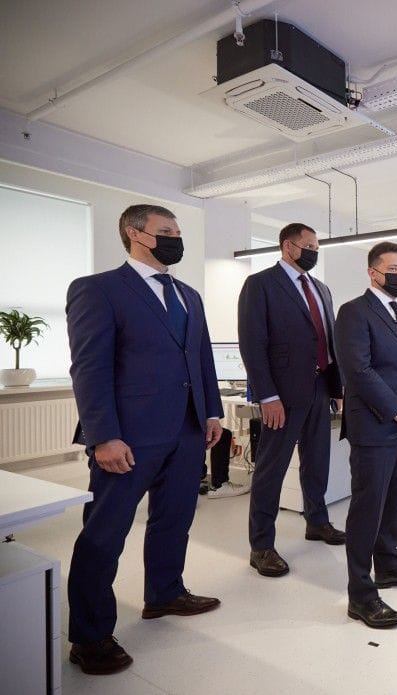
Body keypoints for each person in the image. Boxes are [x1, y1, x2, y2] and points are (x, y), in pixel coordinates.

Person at [65, 204, 223, 675]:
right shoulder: (98, 289)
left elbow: (202, 358)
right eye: (166, 231)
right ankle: (90, 636)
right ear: (136, 234)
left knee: (174, 520)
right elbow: (89, 368)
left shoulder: (189, 295)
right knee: (104, 535)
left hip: (188, 430)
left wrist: (212, 411)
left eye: (178, 231)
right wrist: (103, 437)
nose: (176, 238)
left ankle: (165, 593)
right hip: (128, 436)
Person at [333, 241, 397, 629]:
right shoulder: (354, 312)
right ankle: (361, 595)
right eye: (394, 269)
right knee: (367, 508)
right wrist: (395, 408)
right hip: (374, 425)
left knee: (392, 502)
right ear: (373, 272)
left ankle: (389, 566)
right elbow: (357, 370)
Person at [237, 223, 345, 578]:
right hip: (281, 395)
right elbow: (253, 344)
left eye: (317, 247)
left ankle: (317, 521)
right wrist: (267, 395)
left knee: (317, 461)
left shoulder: (321, 289)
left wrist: (338, 389)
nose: (314, 251)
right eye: (308, 246)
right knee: (272, 469)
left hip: (320, 387)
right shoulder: (261, 284)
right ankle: (261, 546)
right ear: (288, 246)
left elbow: (329, 342)